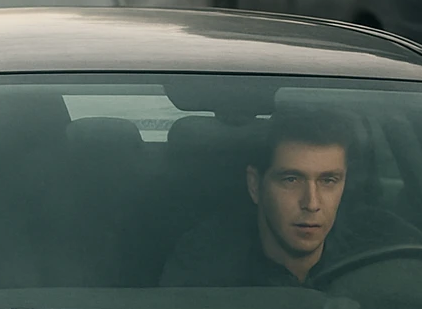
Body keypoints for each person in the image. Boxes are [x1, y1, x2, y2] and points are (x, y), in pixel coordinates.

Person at [159, 107, 404, 288]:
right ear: (255, 185)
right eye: (291, 180)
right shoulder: (204, 266)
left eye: (328, 181)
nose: (312, 203)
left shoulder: (385, 247)